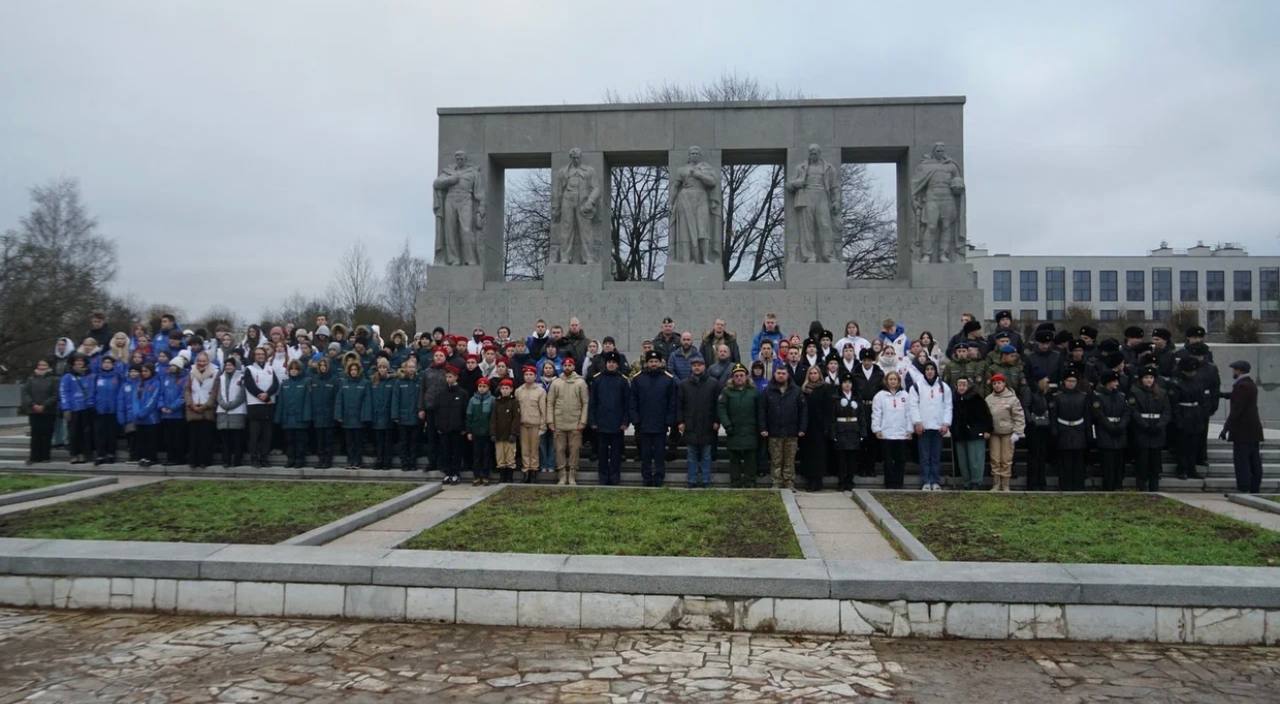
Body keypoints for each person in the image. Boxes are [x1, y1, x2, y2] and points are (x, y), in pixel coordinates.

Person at [630, 350, 678, 487]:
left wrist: (669, 420)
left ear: (660, 363)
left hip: (660, 424)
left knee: (659, 453)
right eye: (651, 361)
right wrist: (635, 420)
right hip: (643, 423)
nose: (653, 364)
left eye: (656, 361)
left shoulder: (668, 379)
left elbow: (672, 402)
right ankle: (646, 477)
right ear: (646, 363)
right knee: (645, 453)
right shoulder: (638, 379)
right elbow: (633, 401)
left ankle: (659, 477)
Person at [1220, 360, 1264, 493]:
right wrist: (1222, 395)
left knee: (1242, 461)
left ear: (1239, 370)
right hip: (1252, 430)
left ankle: (1244, 487)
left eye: (1234, 369)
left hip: (1243, 431)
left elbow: (1237, 410)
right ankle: (1254, 487)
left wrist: (1225, 428)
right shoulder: (1249, 384)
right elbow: (1237, 397)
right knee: (1253, 459)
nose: (1233, 372)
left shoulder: (1242, 385)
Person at [909, 361, 952, 491]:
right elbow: (913, 406)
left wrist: (946, 423)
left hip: (938, 427)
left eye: (932, 369)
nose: (929, 371)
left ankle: (935, 481)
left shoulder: (944, 387)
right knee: (924, 456)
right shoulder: (916, 386)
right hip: (923, 427)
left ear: (935, 371)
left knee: (935, 457)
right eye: (927, 369)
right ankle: (926, 481)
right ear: (924, 371)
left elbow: (948, 406)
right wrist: (917, 422)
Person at [588, 351, 629, 486]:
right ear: (605, 364)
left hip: (617, 424)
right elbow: (593, 402)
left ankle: (615, 477)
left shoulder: (623, 380)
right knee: (602, 453)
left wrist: (625, 421)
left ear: (617, 365)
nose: (611, 364)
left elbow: (627, 403)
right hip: (601, 423)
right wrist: (593, 421)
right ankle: (603, 477)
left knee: (616, 453)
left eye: (614, 363)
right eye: (609, 362)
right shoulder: (597, 380)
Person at [678, 356, 720, 489]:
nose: (697, 367)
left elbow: (718, 404)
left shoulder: (713, 383)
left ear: (704, 366)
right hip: (690, 424)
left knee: (706, 455)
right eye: (694, 365)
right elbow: (679, 405)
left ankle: (706, 480)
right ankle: (692, 480)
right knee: (691, 455)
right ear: (691, 367)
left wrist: (717, 420)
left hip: (708, 424)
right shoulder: (684, 384)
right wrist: (680, 421)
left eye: (699, 365)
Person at [761, 365, 806, 490]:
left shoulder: (796, 391)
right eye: (778, 373)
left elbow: (803, 410)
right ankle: (776, 482)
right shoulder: (768, 391)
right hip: (774, 431)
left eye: (783, 373)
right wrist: (763, 428)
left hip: (791, 431)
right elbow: (762, 411)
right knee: (776, 459)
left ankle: (789, 482)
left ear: (788, 375)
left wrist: (802, 428)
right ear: (774, 375)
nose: (781, 375)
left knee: (789, 459)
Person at [717, 363, 761, 489]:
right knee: (734, 459)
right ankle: (735, 481)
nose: (739, 378)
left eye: (742, 375)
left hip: (750, 431)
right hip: (733, 430)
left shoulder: (754, 392)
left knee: (750, 459)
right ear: (732, 378)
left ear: (746, 377)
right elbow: (721, 409)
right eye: (736, 376)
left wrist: (759, 426)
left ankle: (750, 481)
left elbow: (760, 410)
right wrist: (727, 425)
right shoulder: (726, 392)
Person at [547, 357, 588, 485]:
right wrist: (550, 421)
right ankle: (562, 475)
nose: (567, 367)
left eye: (570, 365)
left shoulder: (580, 383)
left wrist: (583, 421)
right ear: (562, 367)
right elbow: (550, 403)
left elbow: (585, 403)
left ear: (574, 367)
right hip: (559, 422)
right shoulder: (556, 383)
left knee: (574, 450)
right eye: (565, 365)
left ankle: (572, 475)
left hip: (575, 423)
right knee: (559, 449)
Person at [1129, 366, 1171, 492]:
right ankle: (1141, 488)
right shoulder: (1134, 392)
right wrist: (1145, 425)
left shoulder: (1161, 393)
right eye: (1146, 377)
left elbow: (1167, 412)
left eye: (1151, 377)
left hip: (1157, 432)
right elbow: (1134, 411)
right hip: (1142, 432)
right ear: (1141, 379)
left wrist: (1159, 425)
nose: (1149, 380)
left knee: (1155, 463)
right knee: (1142, 462)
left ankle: (1154, 489)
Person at [985, 373, 1026, 492]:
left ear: (1004, 384)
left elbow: (1019, 416)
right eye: (994, 383)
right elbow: (985, 416)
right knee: (995, 459)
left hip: (1008, 434)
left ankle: (1006, 484)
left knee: (1006, 459)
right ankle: (996, 484)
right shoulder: (988, 399)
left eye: (999, 383)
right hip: (994, 433)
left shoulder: (1012, 399)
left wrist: (1017, 432)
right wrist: (986, 430)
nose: (997, 385)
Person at [1091, 370, 1131, 491]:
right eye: (1114, 381)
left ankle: (1118, 485)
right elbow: (1099, 415)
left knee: (1119, 464)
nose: (1117, 384)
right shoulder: (1098, 397)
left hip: (1120, 433)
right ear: (1107, 382)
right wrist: (1111, 427)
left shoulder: (1121, 396)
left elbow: (1127, 412)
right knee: (1108, 464)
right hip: (1106, 434)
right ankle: (1108, 487)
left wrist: (1121, 425)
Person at [950, 377, 992, 490]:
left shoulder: (976, 398)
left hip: (975, 433)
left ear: (968, 386)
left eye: (964, 385)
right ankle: (966, 482)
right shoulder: (954, 399)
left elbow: (986, 415)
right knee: (963, 461)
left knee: (975, 459)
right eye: (959, 385)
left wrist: (988, 429)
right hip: (960, 434)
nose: (962, 387)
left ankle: (976, 482)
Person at [1051, 370, 1090, 491]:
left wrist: (1087, 431)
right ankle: (1065, 485)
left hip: (1078, 430)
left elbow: (1087, 415)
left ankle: (1078, 485)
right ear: (1064, 382)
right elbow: (1053, 415)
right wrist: (1055, 430)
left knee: (1078, 460)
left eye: (1073, 381)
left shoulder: (1083, 396)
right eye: (1069, 380)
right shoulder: (1057, 397)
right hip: (1063, 430)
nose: (1071, 383)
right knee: (1065, 460)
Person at [871, 370, 911, 489]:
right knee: (888, 461)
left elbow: (909, 414)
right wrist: (877, 429)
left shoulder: (905, 396)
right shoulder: (880, 396)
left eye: (895, 379)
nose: (893, 381)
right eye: (890, 379)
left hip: (901, 434)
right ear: (886, 381)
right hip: (886, 433)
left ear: (899, 381)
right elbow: (876, 414)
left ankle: (899, 483)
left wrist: (909, 430)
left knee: (900, 460)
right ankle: (889, 483)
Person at [1168, 356, 1206, 480]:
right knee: (1182, 446)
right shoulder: (1176, 383)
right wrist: (1178, 420)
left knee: (1194, 445)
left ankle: (1192, 468)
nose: (1193, 373)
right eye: (1190, 370)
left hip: (1195, 416)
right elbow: (1174, 403)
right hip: (1183, 414)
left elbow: (1202, 400)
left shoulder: (1197, 381)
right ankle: (1182, 469)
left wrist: (1200, 415)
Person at [434, 365, 469, 484]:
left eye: (451, 376)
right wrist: (438, 426)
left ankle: (456, 473)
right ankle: (447, 473)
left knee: (456, 452)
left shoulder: (463, 393)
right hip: (444, 428)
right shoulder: (441, 393)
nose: (448, 379)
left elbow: (465, 412)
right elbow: (437, 411)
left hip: (457, 428)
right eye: (447, 377)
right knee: (446, 451)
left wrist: (464, 427)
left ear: (456, 377)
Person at [184, 351, 219, 469]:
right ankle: (193, 461)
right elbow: (187, 390)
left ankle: (205, 460)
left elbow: (215, 391)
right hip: (193, 408)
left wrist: (206, 406)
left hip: (207, 408)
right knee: (193, 437)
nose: (201, 363)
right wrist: (191, 404)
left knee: (206, 437)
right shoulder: (191, 372)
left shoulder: (215, 372)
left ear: (208, 361)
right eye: (199, 361)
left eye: (204, 361)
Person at [852, 348, 884, 477]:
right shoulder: (855, 373)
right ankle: (861, 467)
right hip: (860, 408)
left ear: (873, 360)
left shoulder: (879, 374)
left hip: (874, 408)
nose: (867, 363)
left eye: (869, 360)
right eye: (864, 360)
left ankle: (871, 467)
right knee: (861, 439)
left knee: (872, 440)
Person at [829, 373, 863, 491]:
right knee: (841, 459)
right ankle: (842, 482)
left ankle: (850, 481)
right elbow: (832, 417)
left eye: (849, 383)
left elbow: (861, 416)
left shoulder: (856, 397)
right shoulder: (836, 398)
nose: (847, 385)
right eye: (844, 382)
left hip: (853, 430)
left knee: (852, 458)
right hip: (841, 430)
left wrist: (862, 432)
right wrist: (833, 433)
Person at [275, 360, 312, 468]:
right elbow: (281, 402)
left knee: (300, 440)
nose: (293, 371)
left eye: (296, 369)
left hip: (300, 418)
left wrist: (307, 416)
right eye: (291, 369)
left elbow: (307, 401)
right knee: (289, 440)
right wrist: (278, 417)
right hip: (287, 419)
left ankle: (300, 460)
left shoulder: (305, 382)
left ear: (300, 370)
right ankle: (290, 459)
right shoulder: (284, 384)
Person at [515, 365, 548, 484]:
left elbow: (543, 409)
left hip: (535, 424)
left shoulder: (540, 391)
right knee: (524, 449)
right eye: (526, 375)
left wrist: (543, 425)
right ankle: (525, 471)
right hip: (523, 424)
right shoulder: (519, 391)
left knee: (534, 450)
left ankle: (533, 471)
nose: (528, 377)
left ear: (535, 376)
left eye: (531, 375)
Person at [335, 361, 371, 470]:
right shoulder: (344, 383)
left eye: (355, 369)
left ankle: (358, 461)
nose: (353, 372)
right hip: (347, 418)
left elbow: (367, 401)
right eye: (351, 370)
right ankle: (350, 461)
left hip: (359, 418)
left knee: (358, 442)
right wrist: (339, 415)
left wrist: (365, 417)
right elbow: (339, 400)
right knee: (349, 442)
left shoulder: (365, 383)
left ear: (359, 371)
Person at [21, 360, 59, 464]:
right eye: (40, 365)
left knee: (47, 434)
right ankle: (34, 457)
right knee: (35, 434)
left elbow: (55, 395)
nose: (42, 367)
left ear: (48, 367)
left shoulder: (54, 379)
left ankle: (45, 457)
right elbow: (25, 393)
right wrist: (33, 404)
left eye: (44, 365)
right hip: (33, 411)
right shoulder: (30, 379)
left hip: (48, 411)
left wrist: (44, 405)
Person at [59, 355, 94, 464]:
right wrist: (66, 408)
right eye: (77, 361)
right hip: (73, 409)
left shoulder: (89, 376)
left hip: (86, 408)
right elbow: (63, 392)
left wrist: (91, 404)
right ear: (73, 363)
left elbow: (92, 391)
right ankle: (74, 454)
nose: (79, 363)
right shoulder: (67, 376)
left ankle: (83, 454)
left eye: (81, 361)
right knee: (73, 433)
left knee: (85, 432)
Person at [390, 357, 421, 472]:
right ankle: (404, 463)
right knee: (403, 442)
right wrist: (395, 415)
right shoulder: (399, 382)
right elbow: (395, 399)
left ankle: (412, 462)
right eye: (409, 367)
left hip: (415, 417)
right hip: (403, 418)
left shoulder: (419, 381)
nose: (411, 369)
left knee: (414, 442)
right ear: (405, 368)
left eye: (413, 367)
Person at [1023, 373, 1053, 491]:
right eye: (1045, 380)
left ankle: (1041, 481)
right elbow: (1025, 406)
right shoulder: (1030, 391)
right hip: (1034, 428)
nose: (1047, 382)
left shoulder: (1046, 392)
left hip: (1044, 427)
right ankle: (1033, 482)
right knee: (1034, 456)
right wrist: (1030, 422)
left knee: (1042, 455)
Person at [215, 357, 247, 467]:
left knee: (237, 439)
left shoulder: (241, 377)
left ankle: (237, 460)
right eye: (226, 365)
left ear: (235, 366)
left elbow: (242, 395)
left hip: (237, 411)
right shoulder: (221, 377)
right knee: (225, 440)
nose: (228, 367)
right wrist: (223, 404)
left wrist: (231, 405)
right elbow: (218, 393)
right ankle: (226, 460)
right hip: (223, 411)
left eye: (231, 365)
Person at [90, 355, 121, 465]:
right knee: (100, 433)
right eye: (105, 362)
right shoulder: (96, 377)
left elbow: (121, 393)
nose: (107, 364)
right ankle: (100, 455)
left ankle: (111, 453)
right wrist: (92, 405)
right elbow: (92, 392)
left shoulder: (117, 377)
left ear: (113, 365)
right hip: (100, 409)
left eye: (109, 362)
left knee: (111, 433)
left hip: (113, 409)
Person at [490, 378, 521, 483]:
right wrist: (493, 433)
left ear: (511, 389)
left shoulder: (514, 402)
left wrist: (514, 433)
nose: (504, 390)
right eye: (502, 388)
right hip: (499, 435)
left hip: (510, 435)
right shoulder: (496, 402)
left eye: (507, 388)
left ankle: (509, 478)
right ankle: (502, 477)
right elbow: (493, 419)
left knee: (510, 456)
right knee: (500, 456)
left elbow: (516, 419)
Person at [466, 377, 495, 485]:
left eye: (484, 386)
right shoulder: (472, 400)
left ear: (488, 387)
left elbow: (493, 417)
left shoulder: (492, 400)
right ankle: (477, 476)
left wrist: (492, 431)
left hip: (487, 432)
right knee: (476, 455)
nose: (482, 388)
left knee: (486, 455)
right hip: (476, 431)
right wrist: (469, 431)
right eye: (480, 386)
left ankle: (486, 476)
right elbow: (469, 416)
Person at [131, 363, 161, 467]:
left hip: (151, 417)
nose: (144, 373)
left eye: (146, 371)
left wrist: (143, 412)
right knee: (141, 439)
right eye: (142, 371)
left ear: (151, 371)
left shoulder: (156, 383)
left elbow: (153, 399)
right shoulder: (139, 383)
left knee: (151, 440)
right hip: (139, 418)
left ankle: (151, 458)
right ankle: (142, 457)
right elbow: (135, 399)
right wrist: (136, 412)